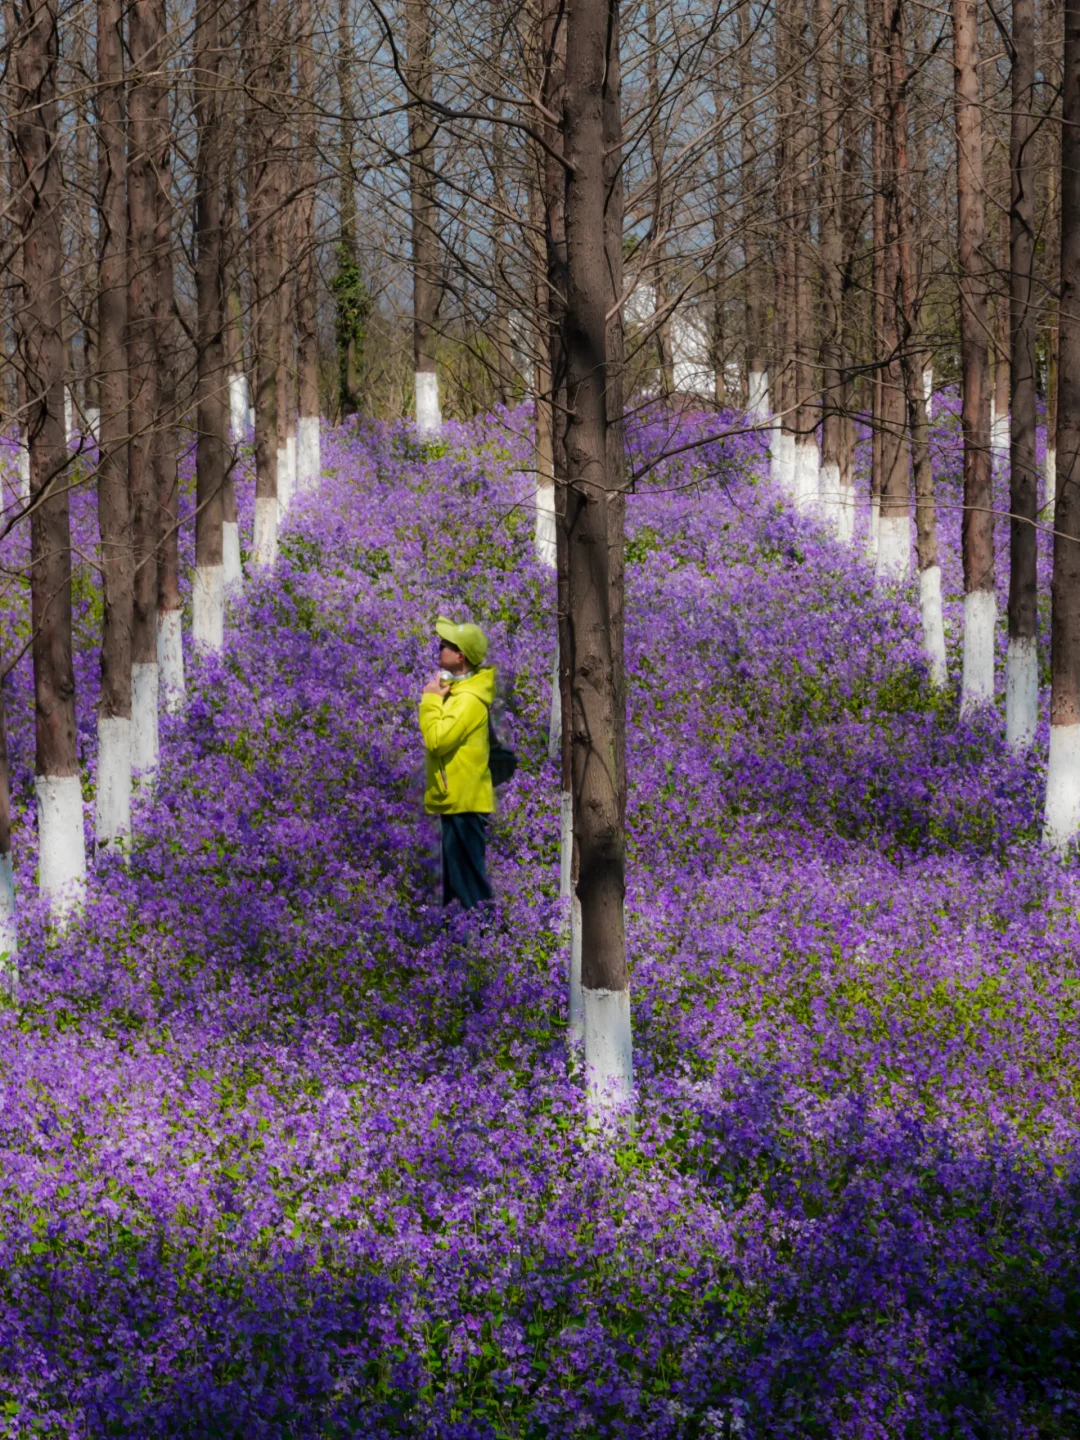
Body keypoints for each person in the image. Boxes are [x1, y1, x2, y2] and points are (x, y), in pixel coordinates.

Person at [418, 616, 495, 909]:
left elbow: (437, 740)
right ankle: (455, 949)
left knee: (467, 889)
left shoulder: (468, 701)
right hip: (458, 800)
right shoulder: (460, 693)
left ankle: (482, 947)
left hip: (465, 803)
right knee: (455, 890)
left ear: (460, 656)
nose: (439, 648)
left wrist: (430, 701)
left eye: (445, 645)